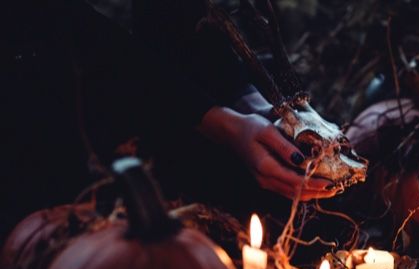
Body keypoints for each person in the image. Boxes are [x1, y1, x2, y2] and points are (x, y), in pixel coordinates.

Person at [1, 0, 337, 239]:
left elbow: (181, 20)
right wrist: (218, 120)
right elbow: (73, 29)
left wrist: (252, 104)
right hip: (35, 101)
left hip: (158, 96)